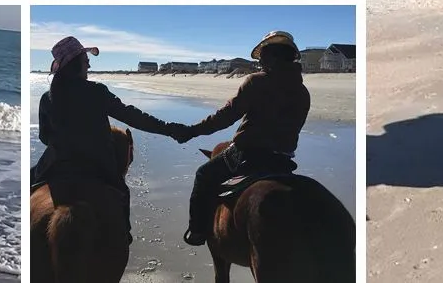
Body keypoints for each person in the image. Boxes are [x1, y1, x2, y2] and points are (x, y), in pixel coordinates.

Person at [30, 36, 188, 243]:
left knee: (30, 185)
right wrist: (170, 129)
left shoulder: (47, 97)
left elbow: (44, 138)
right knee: (121, 193)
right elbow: (132, 116)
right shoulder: (97, 91)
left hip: (55, 163)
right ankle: (125, 235)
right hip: (98, 164)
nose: (88, 63)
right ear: (76, 63)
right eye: (85, 59)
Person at [177, 31, 310, 246]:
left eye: (263, 57)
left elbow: (225, 117)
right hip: (283, 159)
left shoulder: (257, 82)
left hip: (248, 154)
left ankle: (198, 230)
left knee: (204, 174)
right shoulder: (303, 91)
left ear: (273, 56)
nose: (260, 62)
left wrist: (192, 131)